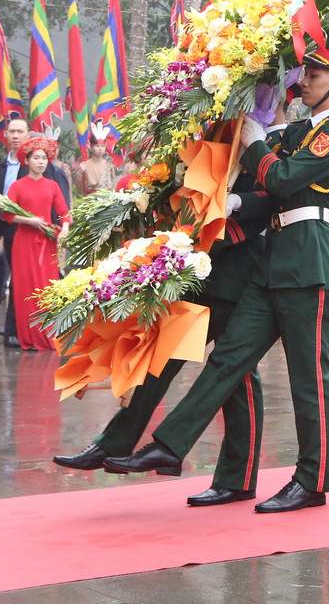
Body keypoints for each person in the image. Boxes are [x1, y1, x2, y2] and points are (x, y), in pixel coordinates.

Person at [107, 28, 329, 513]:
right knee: (227, 358)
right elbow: (265, 181)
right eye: (305, 71)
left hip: (309, 263)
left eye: (315, 73)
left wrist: (253, 144)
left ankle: (312, 481)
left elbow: (283, 177)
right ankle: (170, 445)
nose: (304, 80)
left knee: (308, 378)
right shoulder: (299, 131)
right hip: (272, 262)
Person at [53, 172, 273, 506]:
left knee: (236, 376)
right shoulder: (225, 136)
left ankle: (237, 479)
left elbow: (265, 205)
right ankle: (115, 441)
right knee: (162, 356)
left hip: (237, 272)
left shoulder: (271, 144)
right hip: (202, 272)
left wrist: (191, 240)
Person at [3, 136, 68, 351]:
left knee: (46, 287)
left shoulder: (52, 185)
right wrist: (28, 220)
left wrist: (64, 231)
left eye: (44, 158)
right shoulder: (17, 186)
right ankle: (29, 338)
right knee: (25, 288)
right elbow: (7, 214)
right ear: (27, 161)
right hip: (24, 241)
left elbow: (64, 214)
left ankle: (47, 336)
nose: (41, 162)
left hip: (47, 242)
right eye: (36, 158)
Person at [76, 123, 120, 195]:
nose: (100, 149)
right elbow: (79, 189)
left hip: (107, 199)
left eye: (102, 146)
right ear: (92, 147)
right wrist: (80, 173)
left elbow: (113, 186)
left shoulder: (110, 166)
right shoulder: (85, 165)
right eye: (97, 146)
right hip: (91, 198)